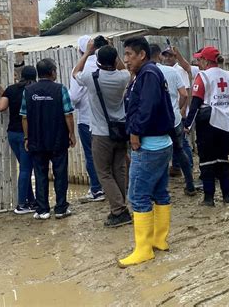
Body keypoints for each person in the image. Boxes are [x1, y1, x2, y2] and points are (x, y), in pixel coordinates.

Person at [118, 37, 175, 268]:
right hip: (160, 143)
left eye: (130, 54)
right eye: (125, 54)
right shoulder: (144, 74)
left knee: (138, 195)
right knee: (160, 191)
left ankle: (143, 249)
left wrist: (134, 132)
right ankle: (158, 240)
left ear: (142, 54)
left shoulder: (148, 74)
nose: (126, 59)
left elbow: (146, 107)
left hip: (148, 145)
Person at [73, 42, 132, 227]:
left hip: (100, 133)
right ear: (115, 60)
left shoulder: (92, 77)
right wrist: (114, 51)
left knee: (104, 173)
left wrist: (88, 52)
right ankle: (121, 207)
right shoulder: (123, 77)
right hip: (121, 130)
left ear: (97, 61)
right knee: (119, 170)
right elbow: (123, 68)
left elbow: (75, 72)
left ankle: (119, 210)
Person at [20, 58, 76, 220]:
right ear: (52, 72)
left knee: (40, 174)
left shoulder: (29, 91)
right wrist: (71, 134)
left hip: (36, 139)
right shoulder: (60, 89)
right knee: (60, 173)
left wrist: (26, 137)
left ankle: (42, 209)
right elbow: (68, 114)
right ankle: (60, 208)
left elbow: (24, 117)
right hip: (58, 139)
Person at [184, 46, 229, 206]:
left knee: (207, 162)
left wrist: (187, 125)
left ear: (206, 60)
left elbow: (196, 103)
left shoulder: (203, 76)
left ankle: (209, 198)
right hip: (226, 124)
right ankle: (227, 196)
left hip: (208, 124)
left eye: (199, 59)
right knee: (223, 160)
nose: (198, 63)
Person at [150, 44, 196, 196]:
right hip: (174, 119)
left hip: (154, 121)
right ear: (159, 56)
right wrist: (177, 108)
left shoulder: (144, 73)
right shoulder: (172, 71)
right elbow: (183, 94)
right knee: (180, 149)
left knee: (156, 153)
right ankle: (190, 184)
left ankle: (159, 189)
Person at [69, 35, 107, 202]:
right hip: (107, 118)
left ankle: (97, 190)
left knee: (91, 155)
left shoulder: (81, 68)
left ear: (81, 50)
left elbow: (74, 97)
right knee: (109, 154)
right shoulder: (105, 64)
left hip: (86, 119)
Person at [0, 65, 37, 214]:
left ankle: (31, 201)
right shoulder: (34, 90)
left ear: (21, 75)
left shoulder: (11, 89)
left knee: (25, 167)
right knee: (26, 169)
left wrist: (1, 96)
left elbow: (1, 107)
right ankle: (21, 205)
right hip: (27, 135)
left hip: (12, 134)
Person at [161, 46, 194, 176]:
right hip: (174, 111)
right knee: (177, 142)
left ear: (175, 57)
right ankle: (176, 166)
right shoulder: (167, 71)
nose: (167, 58)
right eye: (166, 55)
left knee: (182, 143)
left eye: (170, 55)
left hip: (178, 111)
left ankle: (188, 166)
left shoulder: (179, 71)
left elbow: (186, 92)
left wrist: (183, 108)